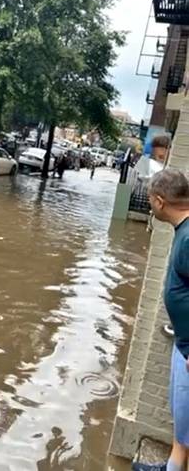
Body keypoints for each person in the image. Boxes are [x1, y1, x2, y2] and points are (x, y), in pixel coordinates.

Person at [135, 169, 189, 471]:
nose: (149, 206)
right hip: (183, 344)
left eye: (149, 201)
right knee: (183, 428)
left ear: (159, 201)